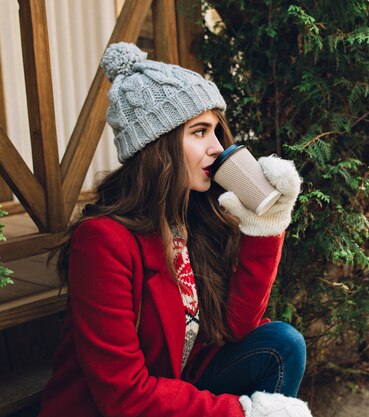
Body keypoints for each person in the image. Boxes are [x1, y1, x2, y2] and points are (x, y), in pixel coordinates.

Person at [38, 42, 312, 417]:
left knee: (282, 343)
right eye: (199, 132)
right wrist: (243, 412)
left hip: (174, 387)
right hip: (114, 408)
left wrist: (264, 229)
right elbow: (123, 395)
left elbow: (236, 326)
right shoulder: (102, 241)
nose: (217, 147)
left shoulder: (191, 219)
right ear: (156, 145)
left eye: (216, 130)